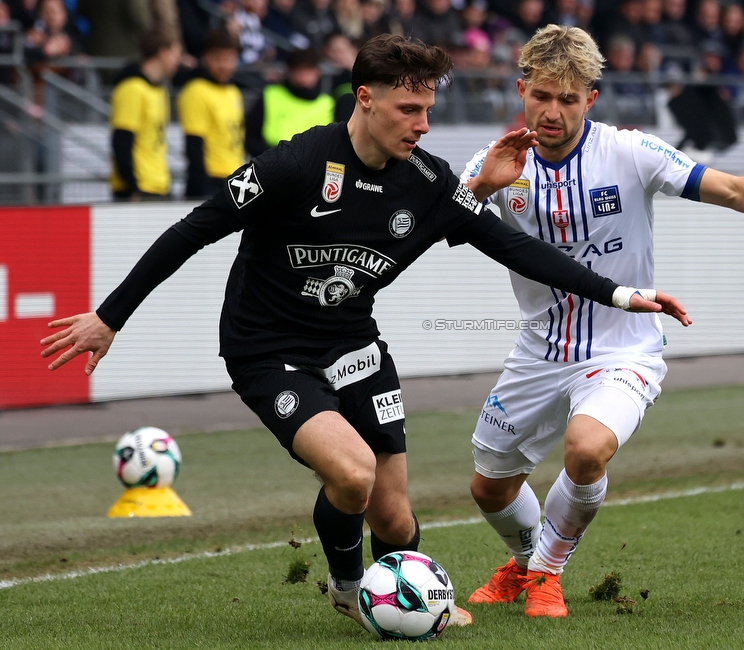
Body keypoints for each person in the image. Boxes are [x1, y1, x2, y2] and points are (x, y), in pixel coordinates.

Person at [41, 34, 684, 634]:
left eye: (428, 109)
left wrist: (625, 296)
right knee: (353, 476)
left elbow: (515, 249)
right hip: (269, 352)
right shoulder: (293, 166)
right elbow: (193, 228)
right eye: (409, 109)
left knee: (396, 517)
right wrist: (109, 316)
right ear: (365, 99)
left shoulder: (428, 183)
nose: (423, 125)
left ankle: (403, 588)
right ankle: (352, 589)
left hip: (356, 346)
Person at [458, 25, 744, 619]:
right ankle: (523, 563)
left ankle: (547, 571)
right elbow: (440, 226)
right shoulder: (494, 164)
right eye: (542, 95)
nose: (552, 111)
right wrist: (477, 188)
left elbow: (725, 186)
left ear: (590, 99)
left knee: (586, 449)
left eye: (568, 99)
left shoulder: (628, 151)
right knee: (488, 486)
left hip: (623, 349)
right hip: (539, 352)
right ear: (522, 90)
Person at [109, 31, 182, 201]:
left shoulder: (159, 90)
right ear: (163, 53)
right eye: (175, 55)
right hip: (139, 188)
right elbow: (121, 141)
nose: (178, 62)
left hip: (159, 185)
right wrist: (133, 187)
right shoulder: (132, 88)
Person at [177, 27, 245, 200]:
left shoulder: (233, 91)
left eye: (230, 60)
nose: (225, 66)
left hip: (235, 177)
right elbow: (193, 144)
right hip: (210, 180)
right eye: (219, 59)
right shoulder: (196, 91)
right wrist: (202, 188)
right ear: (206, 58)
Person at [244, 47, 336, 158]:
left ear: (317, 72)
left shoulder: (328, 104)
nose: (303, 76)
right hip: (272, 164)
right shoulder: (271, 95)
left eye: (308, 70)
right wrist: (272, 159)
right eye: (298, 70)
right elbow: (250, 136)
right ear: (289, 72)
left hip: (312, 168)